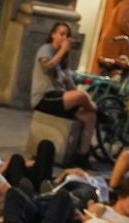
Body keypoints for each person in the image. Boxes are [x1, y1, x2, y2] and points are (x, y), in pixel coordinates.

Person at [32, 23, 96, 157]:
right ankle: (99, 110)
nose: (64, 38)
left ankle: (82, 156)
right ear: (53, 35)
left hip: (60, 98)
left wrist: (69, 80)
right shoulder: (46, 49)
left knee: (89, 116)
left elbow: (71, 88)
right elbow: (47, 67)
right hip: (45, 98)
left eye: (67, 36)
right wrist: (62, 51)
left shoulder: (63, 61)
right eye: (61, 34)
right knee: (82, 96)